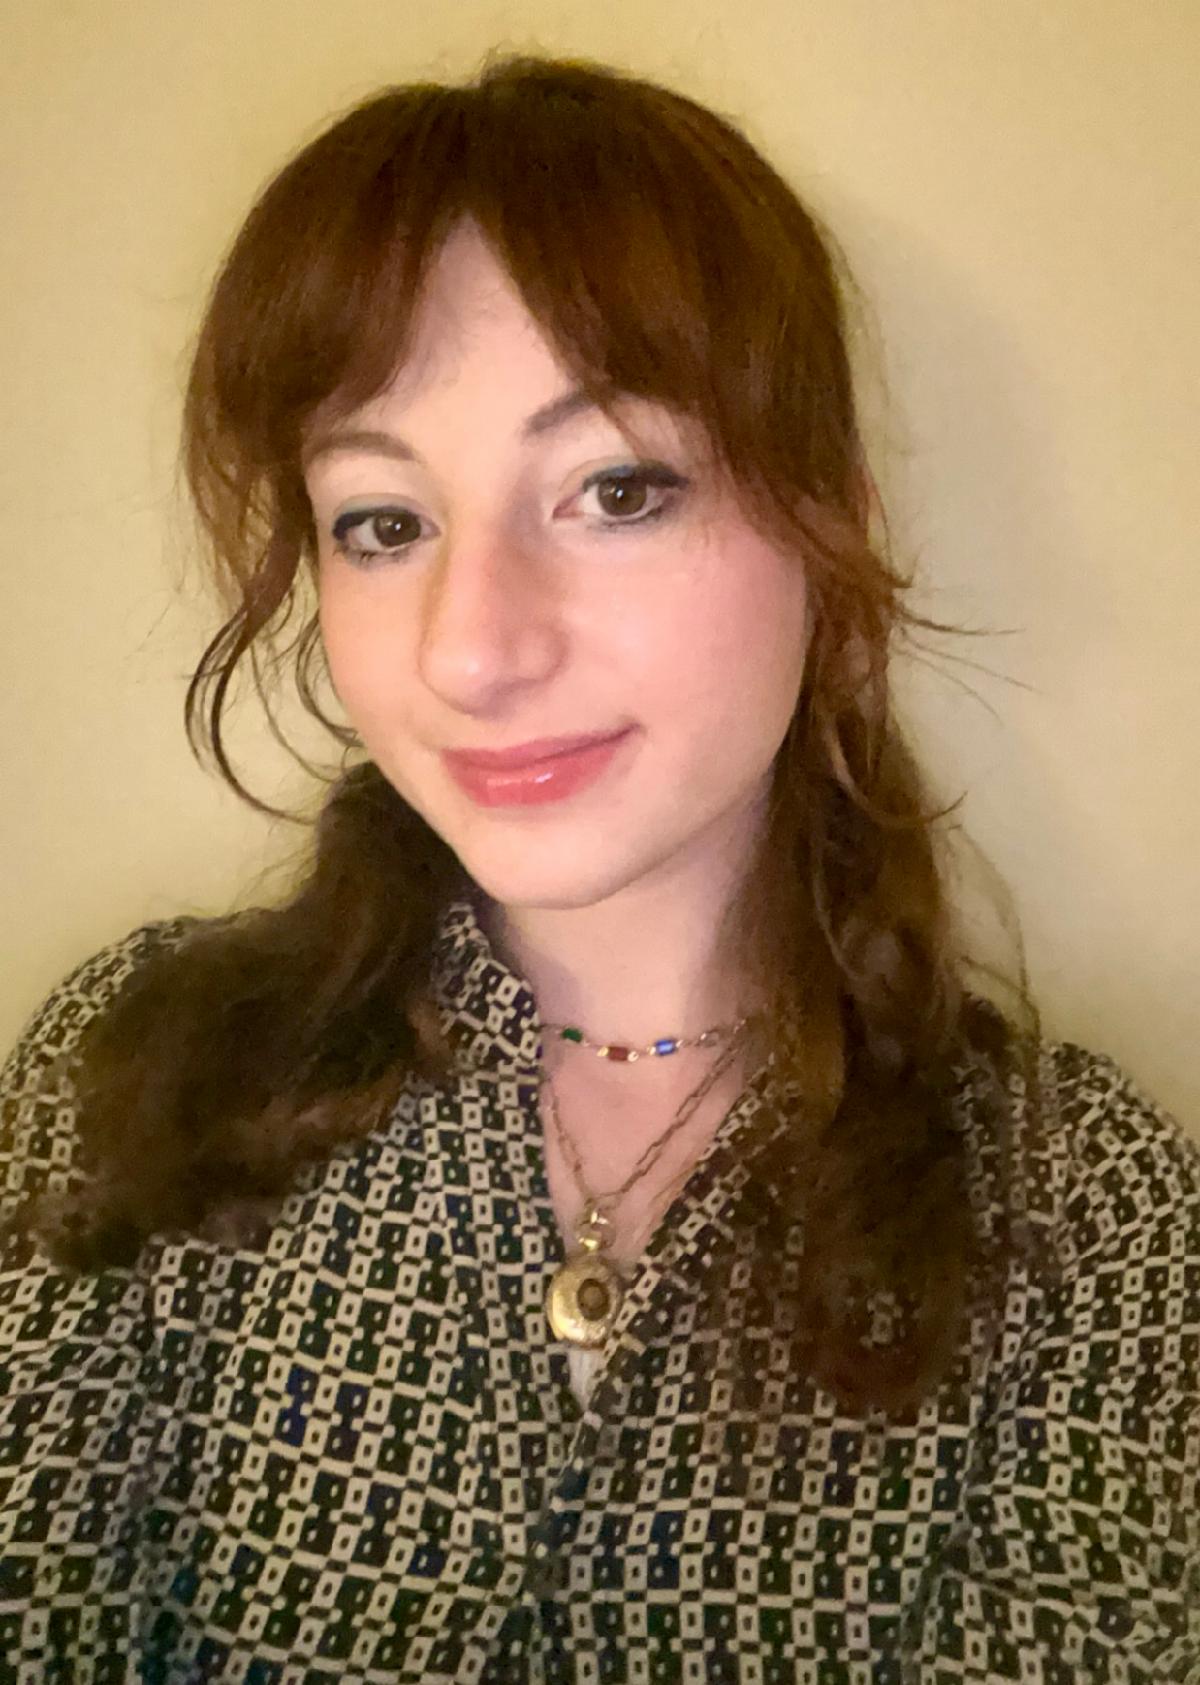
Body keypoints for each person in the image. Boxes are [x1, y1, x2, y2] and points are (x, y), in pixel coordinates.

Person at [1, 48, 1196, 1685]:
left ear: (830, 529)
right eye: (381, 521)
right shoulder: (134, 1075)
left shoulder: (1091, 1218)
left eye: (617, 488)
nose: (472, 649)